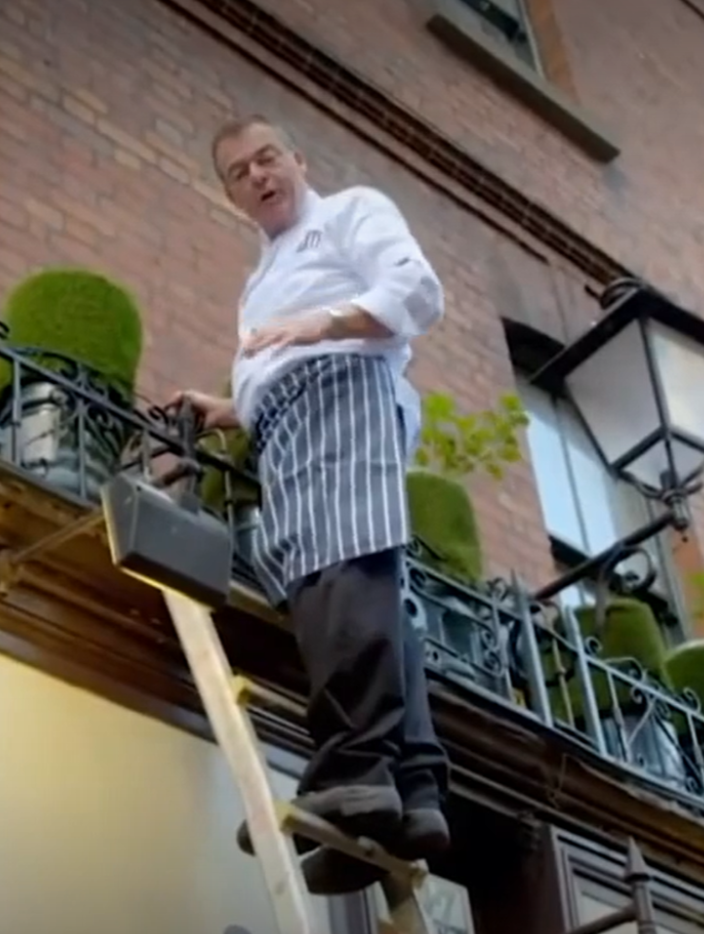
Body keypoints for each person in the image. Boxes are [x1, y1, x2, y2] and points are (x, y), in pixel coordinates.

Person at [173, 114, 450, 896]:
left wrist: (317, 324)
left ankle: (354, 772)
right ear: (231, 194)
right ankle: (409, 794)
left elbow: (416, 293)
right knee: (363, 585)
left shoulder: (350, 213)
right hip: (289, 420)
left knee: (341, 570)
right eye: (239, 171)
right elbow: (270, 375)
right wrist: (227, 408)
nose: (259, 175)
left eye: (268, 158)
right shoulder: (260, 278)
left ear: (297, 159)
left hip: (341, 394)